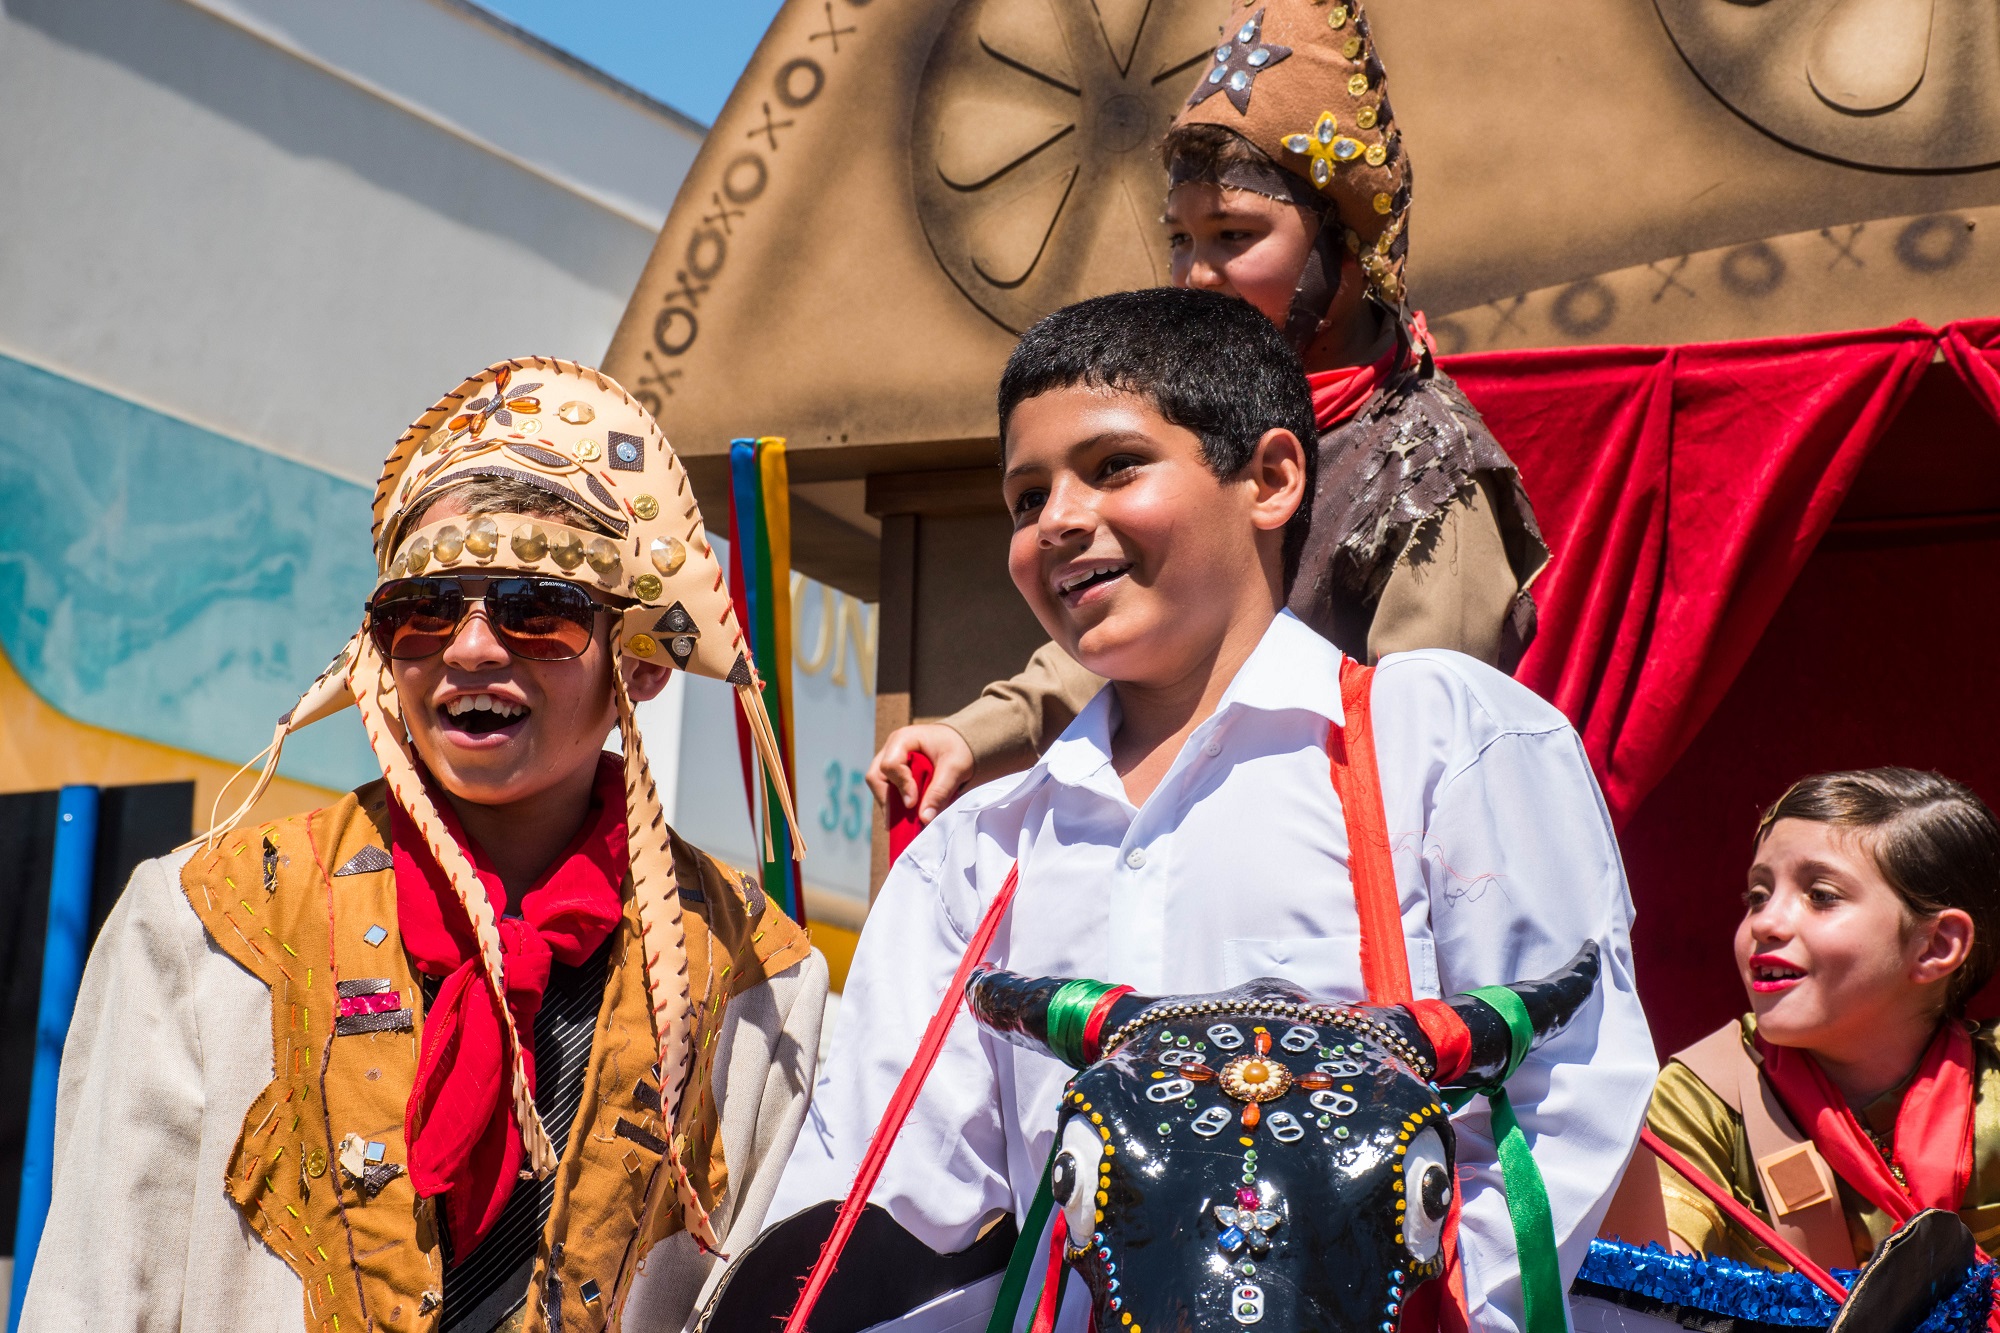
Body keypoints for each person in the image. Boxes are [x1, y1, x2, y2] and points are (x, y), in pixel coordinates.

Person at [771, 288, 1653, 1332]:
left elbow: (1562, 1090)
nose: (1056, 519)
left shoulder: (1443, 742)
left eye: (1112, 467)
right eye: (1023, 498)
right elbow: (886, 1200)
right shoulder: (976, 853)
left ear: (1271, 478)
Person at [20, 359, 829, 1333]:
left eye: (535, 607)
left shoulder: (755, 976)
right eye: (426, 609)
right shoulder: (206, 924)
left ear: (638, 664)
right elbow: (99, 1290)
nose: (474, 647)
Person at [869, 0, 1550, 821]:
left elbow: (1425, 749)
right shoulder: (1189, 422)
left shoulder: (1428, 466)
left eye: (1233, 235)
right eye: (1182, 239)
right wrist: (974, 734)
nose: (1197, 274)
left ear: (1344, 247)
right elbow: (1140, 612)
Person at [1644, 768, 2000, 1269]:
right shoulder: (1705, 1097)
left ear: (1935, 946)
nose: (1764, 923)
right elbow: (1648, 1284)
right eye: (1757, 896)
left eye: (1821, 895)